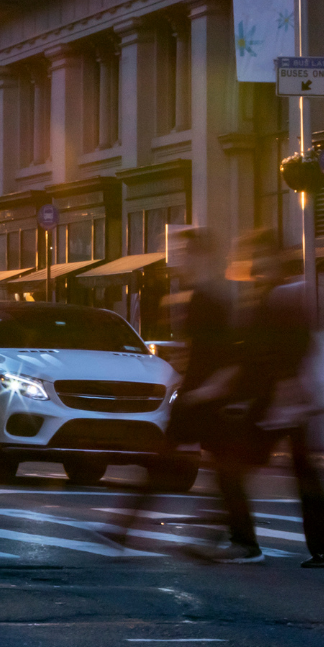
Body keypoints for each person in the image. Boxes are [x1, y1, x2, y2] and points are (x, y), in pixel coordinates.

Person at [198, 229, 324, 567]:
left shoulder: (281, 296)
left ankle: (243, 542)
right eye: (252, 257)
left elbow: (282, 351)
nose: (254, 263)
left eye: (259, 256)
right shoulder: (271, 294)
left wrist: (257, 396)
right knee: (302, 473)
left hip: (277, 403)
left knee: (231, 467)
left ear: (275, 257)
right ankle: (323, 548)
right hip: (282, 403)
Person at [103, 227, 230, 546]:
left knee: (182, 465)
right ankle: (125, 527)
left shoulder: (209, 298)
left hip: (203, 396)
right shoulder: (204, 295)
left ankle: (123, 528)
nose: (180, 259)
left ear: (201, 256)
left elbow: (219, 351)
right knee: (205, 468)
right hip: (199, 394)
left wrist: (205, 389)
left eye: (186, 253)